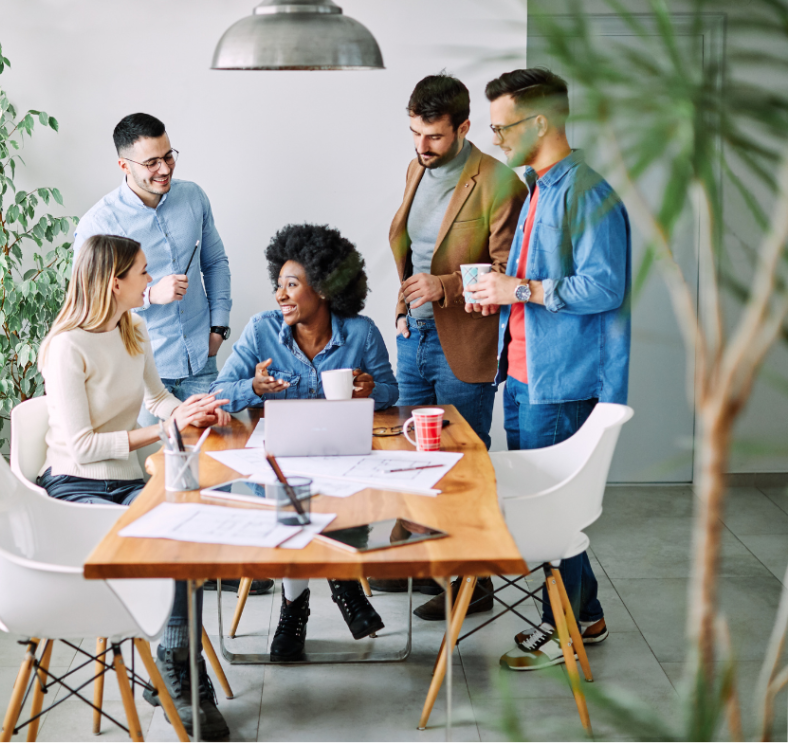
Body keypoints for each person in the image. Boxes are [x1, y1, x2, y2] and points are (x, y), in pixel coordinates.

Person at [37, 234, 232, 739]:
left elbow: (160, 397)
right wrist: (164, 429)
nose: (151, 281)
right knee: (172, 536)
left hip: (122, 481)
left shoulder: (135, 329)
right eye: (143, 273)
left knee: (188, 531)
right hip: (74, 488)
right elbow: (81, 447)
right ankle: (183, 679)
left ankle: (175, 666)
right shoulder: (66, 347)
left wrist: (191, 411)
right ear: (114, 282)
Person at [471, 68, 631, 671]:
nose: (495, 140)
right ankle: (581, 616)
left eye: (502, 127)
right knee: (545, 507)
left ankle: (565, 623)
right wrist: (505, 293)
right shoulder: (538, 187)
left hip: (560, 382)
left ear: (540, 122)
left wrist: (525, 288)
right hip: (523, 375)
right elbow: (532, 288)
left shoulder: (587, 191)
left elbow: (605, 285)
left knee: (553, 512)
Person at [374, 74, 526, 620]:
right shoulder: (417, 167)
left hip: (465, 341)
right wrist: (408, 304)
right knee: (412, 453)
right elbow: (414, 247)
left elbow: (511, 271)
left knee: (462, 461)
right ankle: (420, 559)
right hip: (414, 334)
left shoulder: (500, 182)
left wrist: (447, 287)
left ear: (463, 127)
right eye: (415, 133)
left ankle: (473, 582)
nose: (422, 146)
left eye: (434, 136)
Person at [210, 223, 399, 662]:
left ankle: (299, 605)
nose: (281, 295)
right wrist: (253, 388)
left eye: (292, 285)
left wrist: (371, 387)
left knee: (327, 497)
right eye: (279, 285)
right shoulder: (261, 332)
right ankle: (334, 589)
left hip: (342, 460)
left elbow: (391, 393)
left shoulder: (362, 332)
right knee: (292, 497)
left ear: (326, 288)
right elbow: (219, 392)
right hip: (281, 466)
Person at [73, 112, 233, 414]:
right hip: (141, 373)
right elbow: (89, 303)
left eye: (168, 156)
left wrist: (219, 327)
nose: (164, 169)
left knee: (210, 454)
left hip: (202, 362)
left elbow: (215, 263)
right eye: (151, 163)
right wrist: (149, 296)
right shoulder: (98, 224)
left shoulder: (194, 197)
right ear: (124, 165)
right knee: (153, 460)